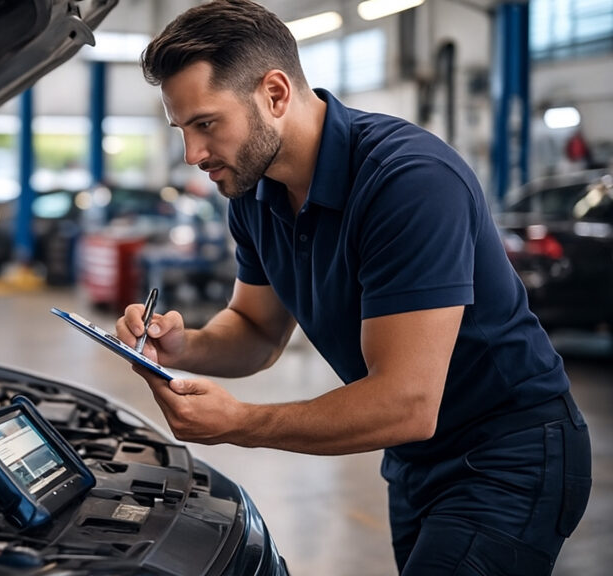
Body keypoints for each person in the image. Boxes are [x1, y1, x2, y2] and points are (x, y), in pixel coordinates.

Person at [114, 1, 591, 574]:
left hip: (510, 450)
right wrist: (181, 344)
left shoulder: (408, 182)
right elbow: (257, 331)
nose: (193, 155)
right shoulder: (253, 192)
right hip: (415, 459)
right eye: (182, 129)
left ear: (274, 93)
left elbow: (405, 402)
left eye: (206, 124)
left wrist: (243, 423)